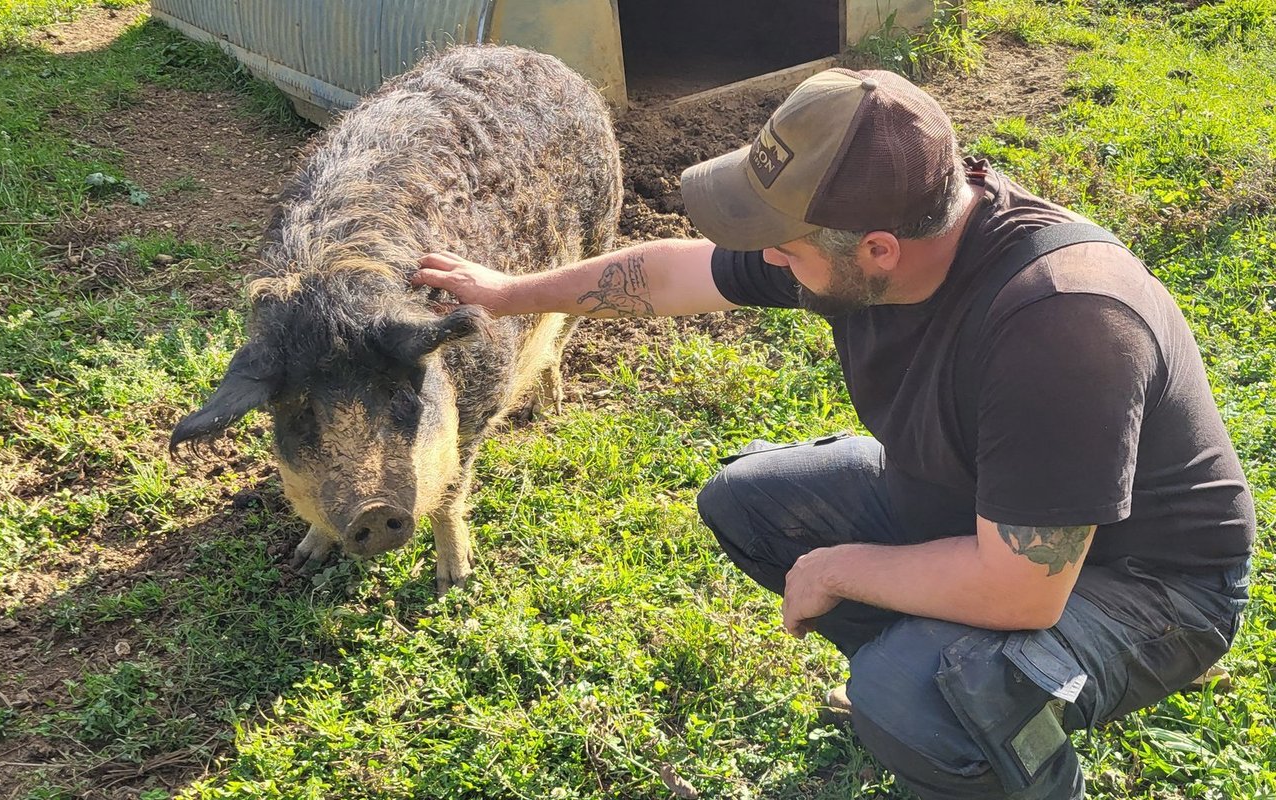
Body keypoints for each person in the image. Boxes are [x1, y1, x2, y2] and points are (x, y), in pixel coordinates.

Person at [411, 68, 1254, 799]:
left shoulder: (1064, 324)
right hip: (982, 514)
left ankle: (999, 741)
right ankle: (949, 679)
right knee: (750, 504)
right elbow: (674, 271)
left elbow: (1023, 591)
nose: (767, 261)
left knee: (912, 695)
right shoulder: (856, 239)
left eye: (783, 250)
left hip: (1149, 584)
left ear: (878, 250)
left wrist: (838, 568)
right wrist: (508, 293)